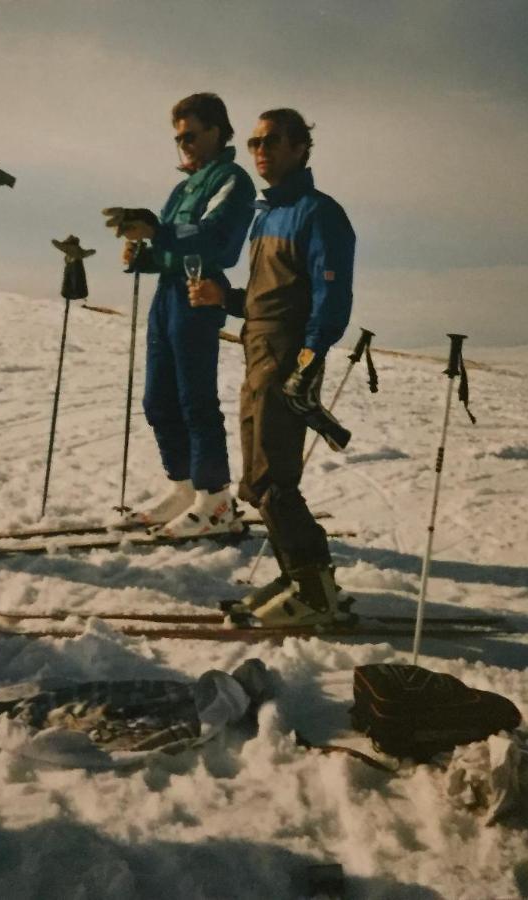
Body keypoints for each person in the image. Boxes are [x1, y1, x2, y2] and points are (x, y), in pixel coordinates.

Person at [189, 108, 356, 626]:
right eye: (256, 141)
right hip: (257, 351)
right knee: (259, 482)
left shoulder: (318, 213)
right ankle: (297, 576)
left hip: (286, 357)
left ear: (301, 147)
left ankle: (315, 590)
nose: (262, 149)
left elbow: (330, 301)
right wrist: (226, 297)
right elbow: (268, 298)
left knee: (275, 478)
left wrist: (306, 363)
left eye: (275, 140)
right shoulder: (266, 216)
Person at [102, 92, 255, 537]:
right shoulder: (183, 186)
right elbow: (170, 245)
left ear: (216, 130)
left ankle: (216, 499)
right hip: (168, 293)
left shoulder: (231, 179)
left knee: (194, 399)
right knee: (158, 399)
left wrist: (159, 231)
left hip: (198, 293)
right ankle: (185, 489)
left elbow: (216, 238)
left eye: (191, 135)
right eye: (178, 138)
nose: (184, 144)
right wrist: (142, 254)